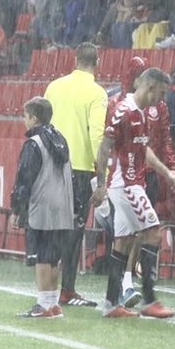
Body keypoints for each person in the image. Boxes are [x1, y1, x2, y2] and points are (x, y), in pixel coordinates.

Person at [93, 68, 175, 318]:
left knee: (123, 241)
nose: (162, 99)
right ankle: (150, 300)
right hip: (127, 184)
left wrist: (167, 173)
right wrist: (101, 184)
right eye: (161, 93)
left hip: (132, 183)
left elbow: (144, 151)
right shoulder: (126, 111)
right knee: (153, 232)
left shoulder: (141, 112)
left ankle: (111, 303)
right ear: (150, 87)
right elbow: (104, 146)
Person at [44, 43, 108, 307]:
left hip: (52, 165)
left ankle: (47, 286)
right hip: (79, 167)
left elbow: (44, 125)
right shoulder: (97, 92)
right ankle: (66, 289)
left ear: (75, 59)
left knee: (53, 227)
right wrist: (101, 176)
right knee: (74, 230)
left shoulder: (54, 87)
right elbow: (96, 134)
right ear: (97, 62)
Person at [11, 97, 74, 318]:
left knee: (41, 257)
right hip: (63, 206)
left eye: (25, 116)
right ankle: (53, 303)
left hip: (42, 206)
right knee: (53, 256)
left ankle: (43, 304)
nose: (23, 120)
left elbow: (24, 178)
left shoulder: (34, 143)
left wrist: (17, 208)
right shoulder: (61, 139)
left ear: (33, 118)